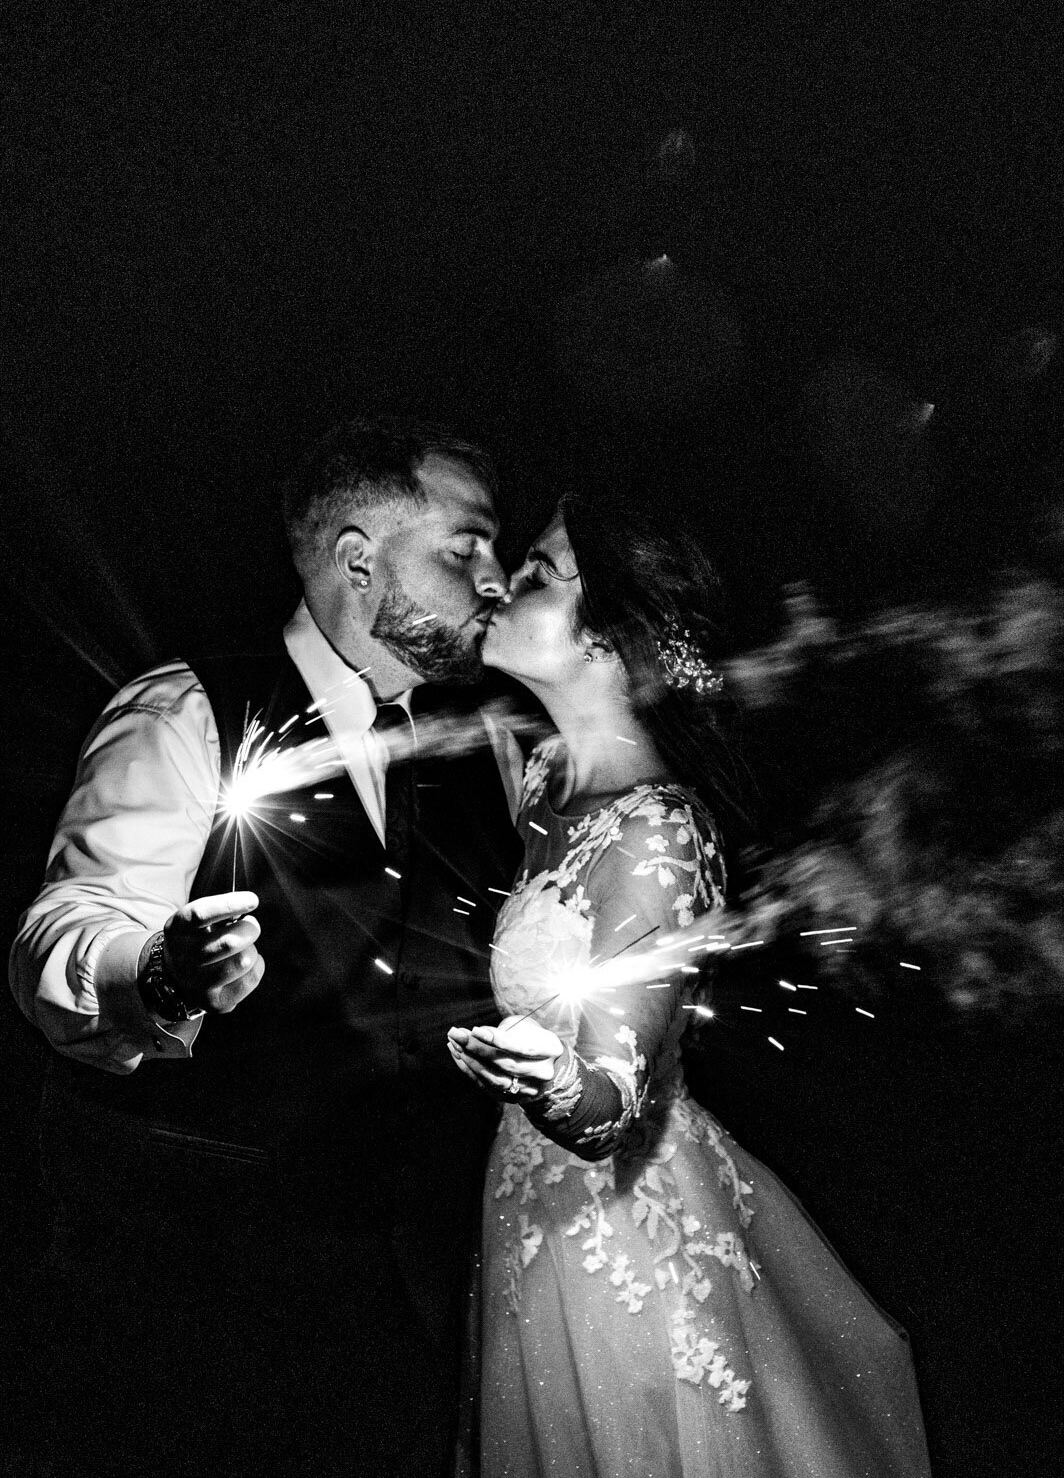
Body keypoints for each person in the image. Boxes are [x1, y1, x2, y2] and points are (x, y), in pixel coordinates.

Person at [8, 418, 526, 1478]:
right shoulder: (188, 708)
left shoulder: (480, 749)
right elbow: (64, 927)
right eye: (464, 546)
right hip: (197, 1273)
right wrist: (154, 969)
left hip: (405, 1273)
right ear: (355, 560)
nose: (497, 576)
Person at [447, 496, 933, 1477]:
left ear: (609, 646)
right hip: (528, 1207)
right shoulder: (547, 785)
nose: (501, 582)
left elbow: (611, 1111)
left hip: (617, 1239)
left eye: (538, 574)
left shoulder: (654, 831)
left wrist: (545, 1077)